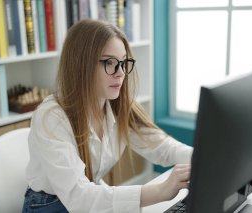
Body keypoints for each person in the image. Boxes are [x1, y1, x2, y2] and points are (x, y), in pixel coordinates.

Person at [22, 19, 193, 213]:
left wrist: (201, 158)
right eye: (109, 62)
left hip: (88, 197)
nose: (120, 73)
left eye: (123, 63)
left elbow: (162, 148)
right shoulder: (52, 116)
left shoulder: (117, 105)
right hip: (49, 206)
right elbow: (78, 198)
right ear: (81, 65)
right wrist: (160, 191)